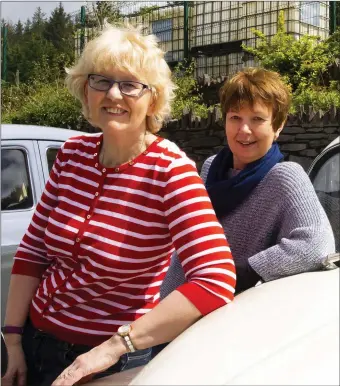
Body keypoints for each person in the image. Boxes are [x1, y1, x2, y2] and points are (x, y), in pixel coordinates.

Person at [1, 24, 236, 386]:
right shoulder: (71, 155)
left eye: (130, 84)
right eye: (101, 80)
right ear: (85, 89)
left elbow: (215, 279)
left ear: (152, 99)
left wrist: (116, 345)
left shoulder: (170, 171)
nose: (113, 93)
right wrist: (13, 338)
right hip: (35, 341)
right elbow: (33, 251)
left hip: (108, 363)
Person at [161, 67, 335, 300]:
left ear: (278, 126)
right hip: (178, 304)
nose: (244, 130)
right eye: (235, 118)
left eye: (257, 119)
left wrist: (239, 273)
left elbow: (317, 245)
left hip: (226, 315)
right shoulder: (211, 168)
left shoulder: (285, 177)